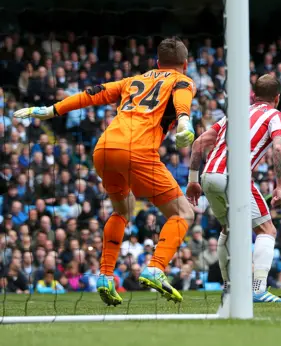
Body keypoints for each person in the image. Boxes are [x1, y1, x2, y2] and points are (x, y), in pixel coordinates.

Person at [15, 37, 197, 306]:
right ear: (185, 63)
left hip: (104, 148)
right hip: (137, 150)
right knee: (184, 213)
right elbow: (182, 98)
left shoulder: (133, 80)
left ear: (157, 62)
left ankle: (105, 276)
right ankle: (156, 267)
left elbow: (91, 93)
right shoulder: (182, 80)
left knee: (122, 209)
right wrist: (184, 121)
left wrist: (52, 110)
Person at [186, 74, 281, 303]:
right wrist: (280, 186)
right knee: (267, 230)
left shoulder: (233, 115)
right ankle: (258, 289)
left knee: (228, 229)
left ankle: (230, 287)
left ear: (253, 95)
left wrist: (193, 179)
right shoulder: (276, 116)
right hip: (235, 176)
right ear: (277, 98)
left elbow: (199, 143)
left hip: (208, 175)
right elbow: (279, 150)